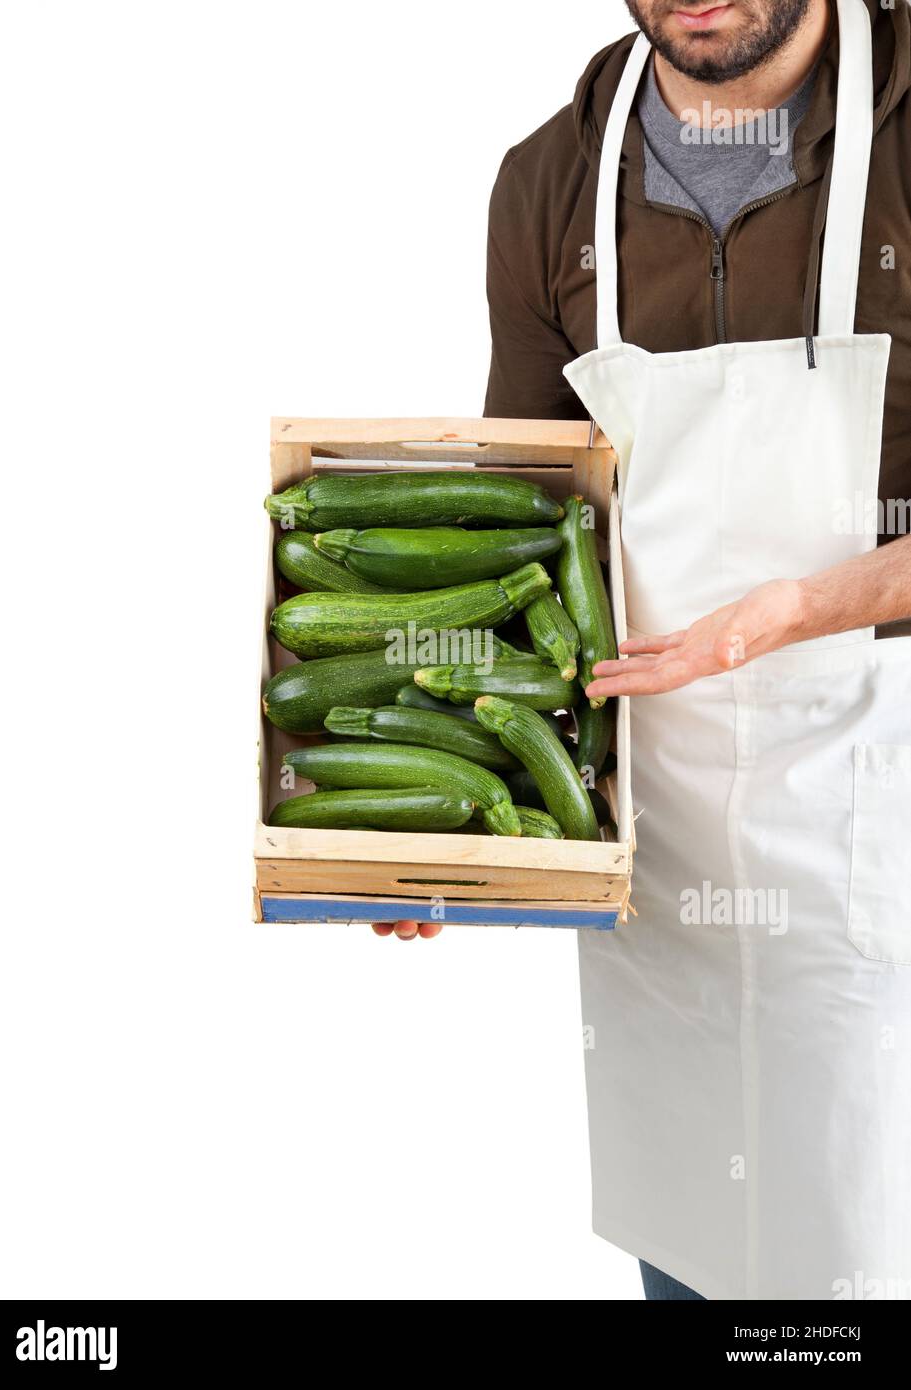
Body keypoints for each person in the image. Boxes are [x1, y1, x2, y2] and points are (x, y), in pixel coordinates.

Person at [376, 0, 911, 1301]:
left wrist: (797, 607)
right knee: (704, 1254)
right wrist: (447, 824)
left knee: (858, 1239)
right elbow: (532, 511)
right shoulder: (551, 179)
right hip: (654, 839)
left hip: (884, 797)